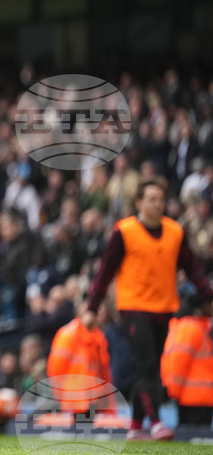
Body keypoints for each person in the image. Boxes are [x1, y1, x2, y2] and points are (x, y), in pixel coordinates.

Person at [82, 176, 213, 441]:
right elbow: (105, 271)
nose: (157, 204)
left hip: (164, 308)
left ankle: (135, 425)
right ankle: (156, 422)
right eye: (151, 199)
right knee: (147, 365)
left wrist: (208, 295)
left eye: (161, 199)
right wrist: (92, 307)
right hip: (134, 308)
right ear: (139, 202)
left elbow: (193, 268)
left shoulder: (175, 231)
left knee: (151, 369)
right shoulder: (125, 231)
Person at [47, 308, 114, 415]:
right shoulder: (68, 334)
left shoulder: (98, 336)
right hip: (75, 399)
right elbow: (56, 369)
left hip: (94, 397)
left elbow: (104, 369)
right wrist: (59, 395)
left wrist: (107, 398)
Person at [162, 296, 213, 429]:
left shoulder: (196, 327)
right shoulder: (190, 327)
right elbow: (179, 362)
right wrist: (174, 392)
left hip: (195, 397)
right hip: (194, 398)